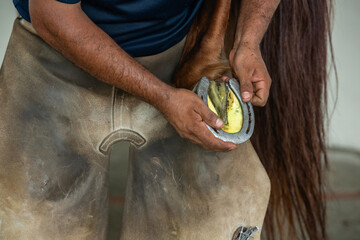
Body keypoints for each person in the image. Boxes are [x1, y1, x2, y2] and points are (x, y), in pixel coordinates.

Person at [0, 0, 332, 239]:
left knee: (228, 206)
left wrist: (247, 41)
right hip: (54, 52)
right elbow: (53, 14)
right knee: (21, 218)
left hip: (180, 47)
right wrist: (162, 97)